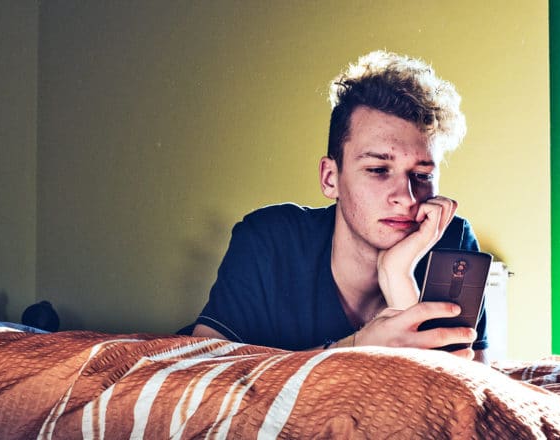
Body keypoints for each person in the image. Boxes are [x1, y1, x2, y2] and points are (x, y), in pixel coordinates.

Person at [192, 50, 488, 362]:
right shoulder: (270, 238)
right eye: (377, 170)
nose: (407, 197)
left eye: (422, 175)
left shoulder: (453, 244)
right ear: (330, 178)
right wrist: (359, 347)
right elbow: (205, 373)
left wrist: (397, 275)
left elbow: (460, 392)